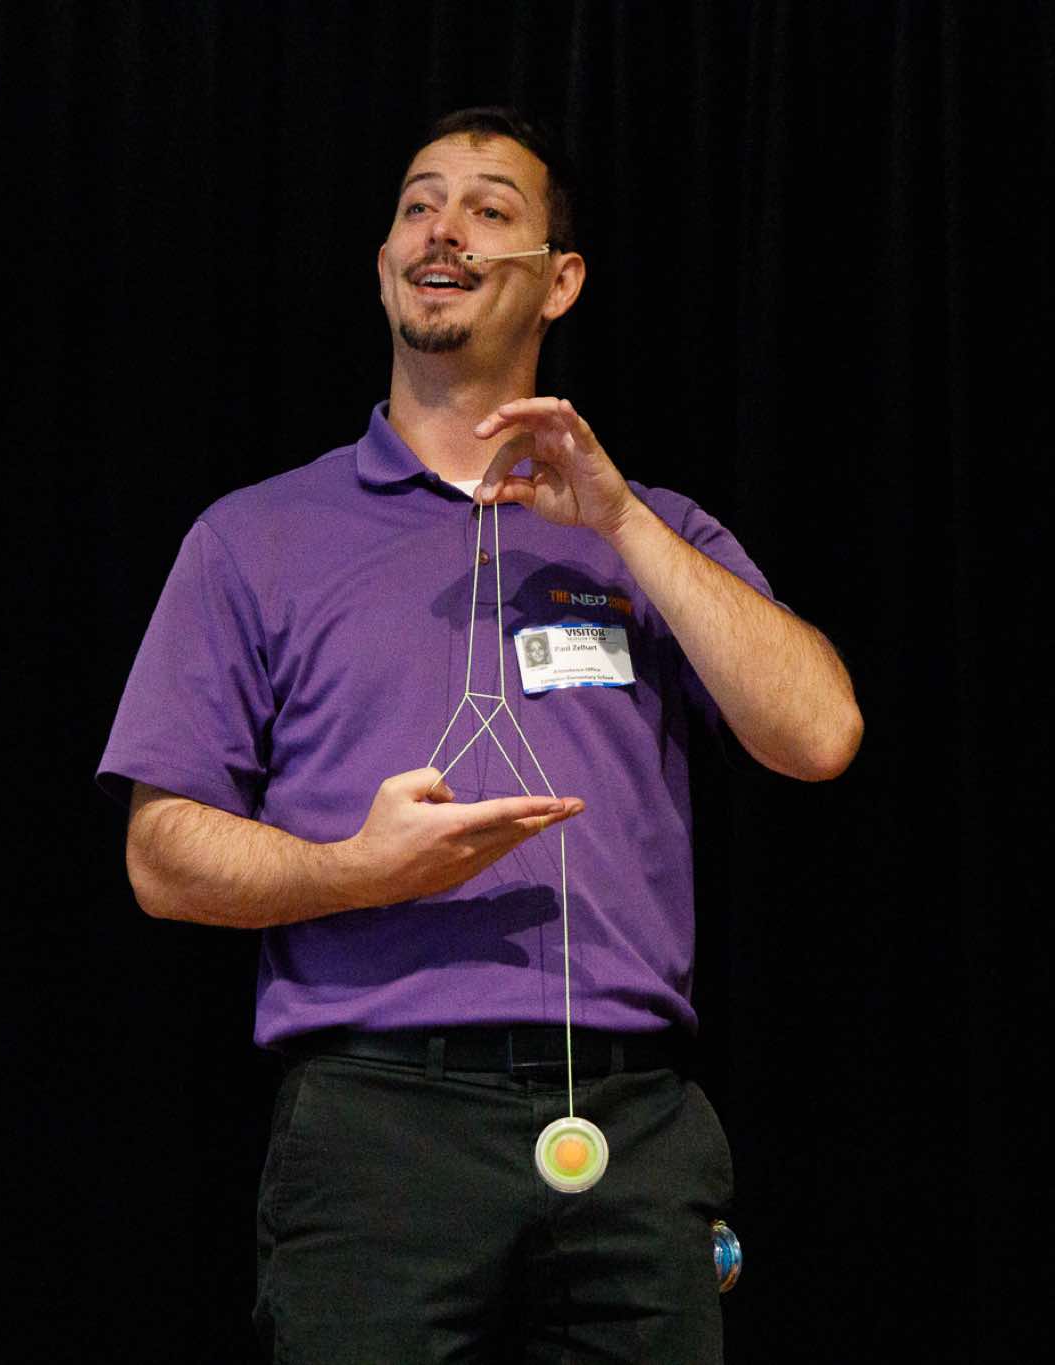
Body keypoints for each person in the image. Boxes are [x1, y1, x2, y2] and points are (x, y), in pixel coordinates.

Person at [99, 107, 861, 1362]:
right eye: (417, 205)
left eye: (487, 209)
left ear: (558, 281)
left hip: (627, 1117)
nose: (441, 229)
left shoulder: (648, 530)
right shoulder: (255, 537)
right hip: (376, 1124)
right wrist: (357, 870)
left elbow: (819, 734)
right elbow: (159, 856)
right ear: (384, 263)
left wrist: (618, 523)